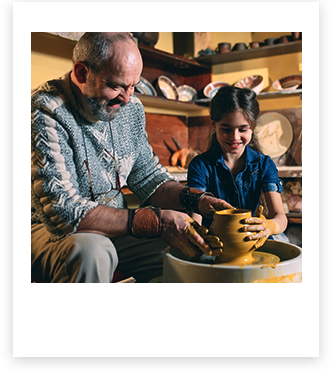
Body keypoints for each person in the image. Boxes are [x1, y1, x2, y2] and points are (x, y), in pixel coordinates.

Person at [31, 32, 232, 283]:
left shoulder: (131, 108)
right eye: (116, 86)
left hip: (115, 229)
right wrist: (157, 222)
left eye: (133, 86)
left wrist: (197, 200)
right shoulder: (46, 109)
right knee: (93, 251)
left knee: (197, 249)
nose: (127, 98)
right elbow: (64, 212)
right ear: (82, 73)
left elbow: (149, 177)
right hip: (48, 231)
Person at [187, 86, 287, 247]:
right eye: (226, 129)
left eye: (243, 129)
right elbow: (195, 219)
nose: (235, 137)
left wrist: (268, 226)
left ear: (252, 127)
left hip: (254, 241)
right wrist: (197, 235)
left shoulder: (264, 164)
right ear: (214, 126)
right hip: (215, 244)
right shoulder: (200, 165)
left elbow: (280, 217)